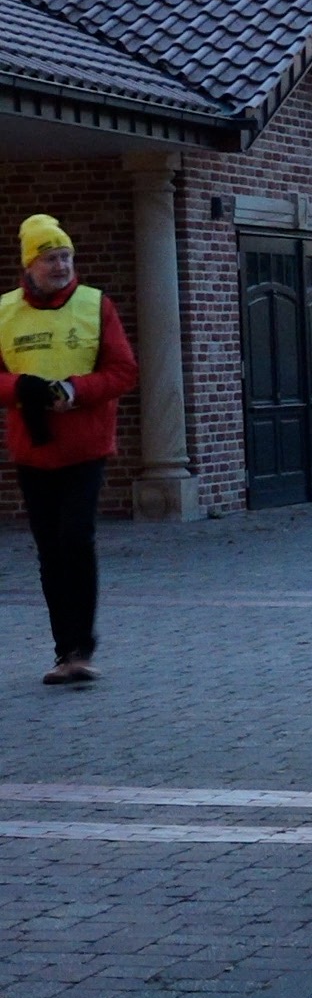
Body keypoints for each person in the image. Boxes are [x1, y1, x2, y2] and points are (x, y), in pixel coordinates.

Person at [0, 214, 139, 685]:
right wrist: (21, 387)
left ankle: (81, 647)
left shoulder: (95, 306)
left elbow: (124, 371)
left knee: (76, 536)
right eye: (50, 258)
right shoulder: (4, 312)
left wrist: (76, 390)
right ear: (30, 265)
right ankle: (64, 652)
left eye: (66, 257)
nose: (61, 266)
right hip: (33, 448)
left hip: (86, 445)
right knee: (50, 549)